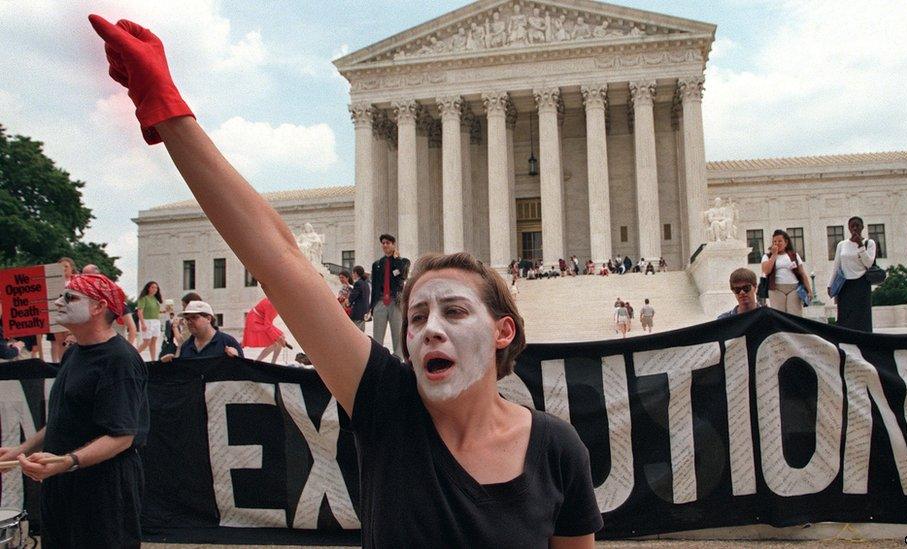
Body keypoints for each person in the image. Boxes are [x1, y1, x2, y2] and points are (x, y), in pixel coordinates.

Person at [87, 15, 603, 546]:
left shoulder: (558, 450)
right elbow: (281, 260)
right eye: (418, 314)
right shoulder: (388, 405)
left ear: (503, 331)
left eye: (454, 311)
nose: (428, 328)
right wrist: (168, 109)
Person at [0, 273, 149, 546]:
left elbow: (122, 437)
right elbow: (61, 419)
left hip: (102, 491)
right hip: (62, 486)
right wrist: (20, 451)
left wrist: (66, 462)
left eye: (69, 297)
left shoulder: (120, 360)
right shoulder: (73, 352)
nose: (58, 302)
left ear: (98, 307)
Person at [828, 216, 878, 331]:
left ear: (862, 227)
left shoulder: (869, 243)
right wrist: (830, 284)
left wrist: (860, 245)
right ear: (849, 228)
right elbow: (837, 265)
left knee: (862, 316)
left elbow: (869, 263)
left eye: (857, 225)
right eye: (852, 226)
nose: (855, 228)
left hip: (861, 282)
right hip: (845, 284)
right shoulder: (842, 245)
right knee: (845, 316)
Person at [369, 234, 410, 358]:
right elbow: (375, 286)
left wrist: (396, 259)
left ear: (393, 245)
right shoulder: (376, 264)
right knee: (377, 335)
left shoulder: (403, 262)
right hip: (380, 302)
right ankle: (378, 358)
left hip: (395, 301)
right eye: (383, 243)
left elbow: (402, 275)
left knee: (398, 333)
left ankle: (398, 358)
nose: (385, 245)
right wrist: (372, 306)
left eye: (388, 243)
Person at [162, 301, 243, 361]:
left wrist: (236, 358)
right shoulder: (186, 347)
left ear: (208, 319)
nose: (189, 322)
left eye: (194, 317)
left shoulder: (227, 342)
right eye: (187, 319)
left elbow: (244, 376)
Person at [760, 229, 812, 316]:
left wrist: (809, 290)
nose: (777, 243)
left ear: (786, 242)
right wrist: (774, 255)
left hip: (794, 288)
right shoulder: (767, 256)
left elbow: (802, 273)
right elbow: (766, 270)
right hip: (776, 288)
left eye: (780, 241)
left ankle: (794, 330)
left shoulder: (794, 255)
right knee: (779, 315)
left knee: (795, 314)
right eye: (774, 241)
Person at [242, 297, 287, 363]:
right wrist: (278, 338)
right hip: (255, 321)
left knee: (281, 337)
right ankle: (258, 361)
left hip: (261, 320)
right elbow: (267, 325)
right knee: (274, 342)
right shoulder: (272, 305)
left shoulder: (275, 301)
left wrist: (279, 338)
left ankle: (273, 362)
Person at [49, 256, 77, 363]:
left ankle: (72, 364)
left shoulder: (76, 281)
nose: (64, 268)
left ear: (71, 268)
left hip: (72, 316)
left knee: (70, 342)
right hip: (57, 315)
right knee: (60, 343)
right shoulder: (53, 282)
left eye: (66, 266)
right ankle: (62, 365)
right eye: (61, 266)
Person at [135, 280, 163, 360]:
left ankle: (153, 360)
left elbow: (155, 311)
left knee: (153, 342)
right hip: (147, 321)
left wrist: (165, 311)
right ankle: (133, 355)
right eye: (152, 287)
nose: (155, 289)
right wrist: (143, 324)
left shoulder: (155, 299)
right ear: (148, 288)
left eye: (156, 288)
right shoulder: (143, 298)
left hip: (156, 321)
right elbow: (139, 312)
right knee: (146, 342)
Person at [348, 265, 371, 331]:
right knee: (361, 332)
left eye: (353, 273)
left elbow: (353, 296)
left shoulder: (358, 283)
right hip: (364, 311)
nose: (352, 275)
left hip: (358, 311)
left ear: (356, 273)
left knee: (355, 331)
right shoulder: (366, 283)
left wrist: (348, 302)